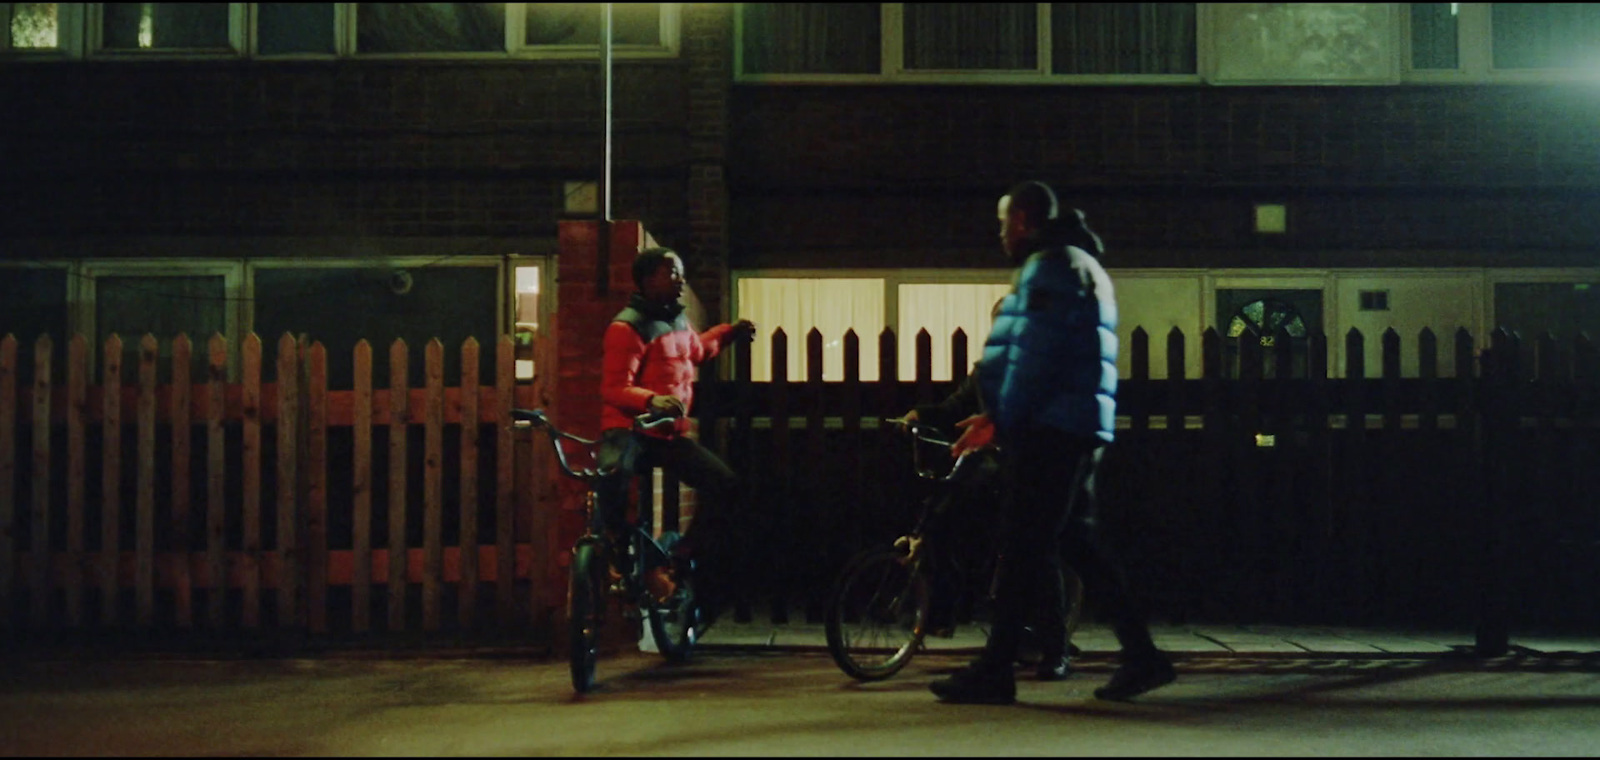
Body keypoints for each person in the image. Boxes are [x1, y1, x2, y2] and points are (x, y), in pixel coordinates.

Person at [929, 181, 1175, 705]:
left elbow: (1034, 356)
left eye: (1003, 224)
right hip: (1071, 425)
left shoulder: (1052, 267)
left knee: (1023, 542)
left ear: (1023, 220)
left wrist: (1001, 418)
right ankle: (1143, 657)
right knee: (1074, 543)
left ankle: (996, 670)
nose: (1000, 235)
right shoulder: (1077, 265)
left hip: (1050, 429)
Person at [898, 304, 1077, 682]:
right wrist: (920, 415)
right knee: (941, 516)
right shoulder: (986, 371)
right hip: (989, 469)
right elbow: (954, 408)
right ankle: (944, 612)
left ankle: (1054, 646)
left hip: (1032, 467)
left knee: (1034, 552)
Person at [597, 247, 755, 623]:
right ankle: (618, 551)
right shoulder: (627, 327)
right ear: (648, 278)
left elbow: (698, 350)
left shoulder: (679, 322)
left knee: (726, 485)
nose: (680, 279)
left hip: (667, 435)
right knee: (613, 476)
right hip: (630, 429)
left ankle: (678, 559)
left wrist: (730, 332)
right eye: (672, 272)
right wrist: (652, 400)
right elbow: (614, 388)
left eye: (680, 272)